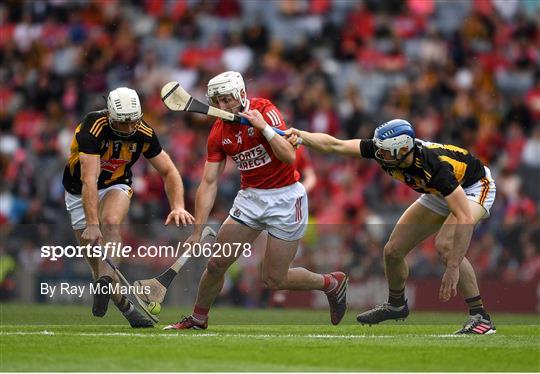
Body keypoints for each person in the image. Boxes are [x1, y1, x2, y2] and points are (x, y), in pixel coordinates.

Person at [163, 71, 347, 330]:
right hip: (250, 199)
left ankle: (330, 283)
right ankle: (198, 319)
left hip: (286, 198)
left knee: (274, 279)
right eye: (217, 101)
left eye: (227, 99)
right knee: (216, 263)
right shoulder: (218, 132)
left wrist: (263, 128)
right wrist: (198, 229)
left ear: (240, 95)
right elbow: (209, 182)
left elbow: (288, 156)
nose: (222, 106)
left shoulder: (265, 109)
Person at [286, 119, 497, 334]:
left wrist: (453, 267)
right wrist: (301, 136)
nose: (379, 156)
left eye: (385, 152)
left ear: (403, 149)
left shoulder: (435, 167)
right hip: (439, 192)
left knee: (445, 246)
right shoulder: (385, 151)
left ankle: (480, 316)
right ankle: (396, 304)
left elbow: (464, 217)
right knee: (393, 251)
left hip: (473, 187)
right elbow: (336, 145)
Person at [62, 87, 194, 327]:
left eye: (133, 121)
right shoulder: (93, 127)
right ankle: (126, 306)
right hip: (80, 190)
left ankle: (103, 281)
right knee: (97, 264)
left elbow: (169, 170)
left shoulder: (143, 131)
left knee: (112, 223)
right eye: (122, 123)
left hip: (116, 185)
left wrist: (178, 205)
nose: (129, 128)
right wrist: (92, 224)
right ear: (111, 116)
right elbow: (88, 180)